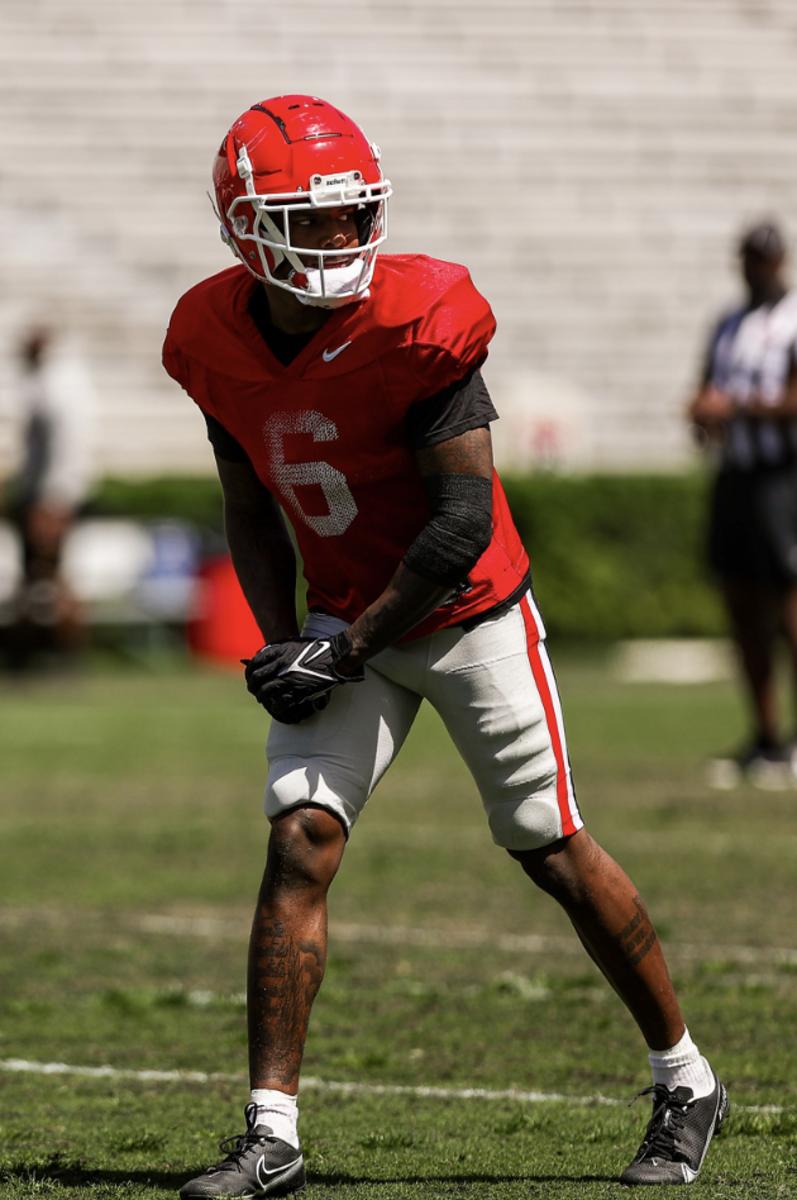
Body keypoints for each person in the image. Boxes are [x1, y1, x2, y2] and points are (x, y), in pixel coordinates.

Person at [163, 95, 727, 1196]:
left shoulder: (419, 315)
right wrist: (289, 643)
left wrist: (346, 643)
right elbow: (247, 500)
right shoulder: (206, 335)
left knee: (547, 846)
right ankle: (270, 1133)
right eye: (307, 220)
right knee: (299, 842)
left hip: (465, 610)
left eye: (349, 215)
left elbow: (460, 518)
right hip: (340, 620)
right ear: (244, 224)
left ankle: (686, 1079)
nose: (335, 239)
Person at [688, 221, 797, 788]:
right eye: (752, 259)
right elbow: (708, 389)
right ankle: (766, 737)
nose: (760, 269)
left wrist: (737, 411)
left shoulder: (792, 323)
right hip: (735, 478)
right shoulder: (728, 324)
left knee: (788, 607)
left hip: (784, 478)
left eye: (768, 259)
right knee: (741, 605)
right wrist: (703, 415)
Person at [3, 325, 95, 671]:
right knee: (37, 578)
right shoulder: (43, 383)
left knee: (53, 578)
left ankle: (64, 656)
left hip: (51, 499)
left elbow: (65, 450)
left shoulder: (60, 388)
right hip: (40, 496)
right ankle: (32, 655)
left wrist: (53, 500)